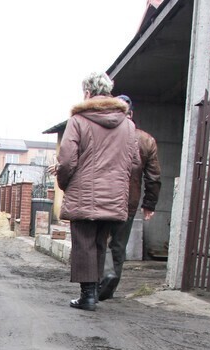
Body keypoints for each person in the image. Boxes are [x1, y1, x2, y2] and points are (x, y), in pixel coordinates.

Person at [52, 73, 139, 311]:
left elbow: (67, 160)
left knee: (84, 243)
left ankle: (87, 296)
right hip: (114, 194)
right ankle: (96, 292)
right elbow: (134, 163)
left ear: (88, 93)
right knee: (100, 242)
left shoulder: (78, 121)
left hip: (84, 192)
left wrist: (65, 184)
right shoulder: (128, 125)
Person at [99, 95, 162, 301]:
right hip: (128, 200)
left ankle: (100, 279)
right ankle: (109, 288)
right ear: (131, 114)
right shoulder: (146, 140)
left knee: (99, 240)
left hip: (103, 196)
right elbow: (153, 177)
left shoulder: (103, 135)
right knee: (118, 244)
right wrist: (149, 204)